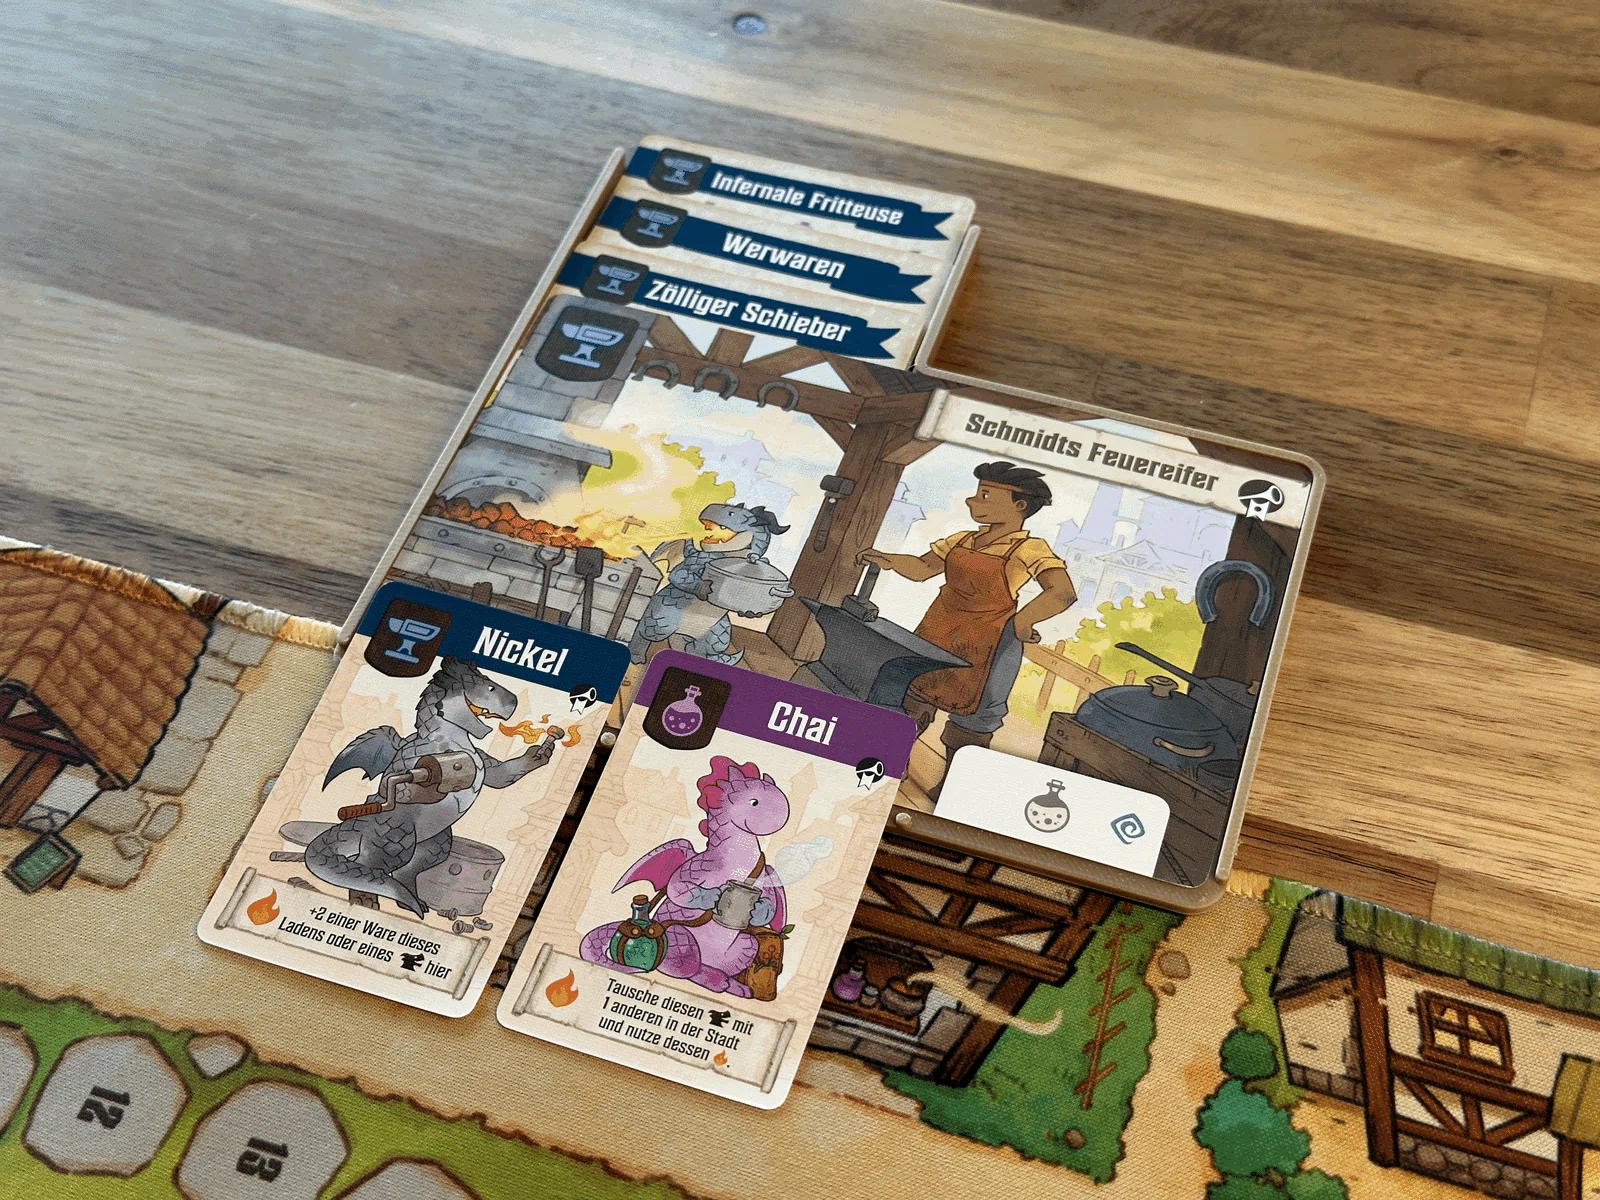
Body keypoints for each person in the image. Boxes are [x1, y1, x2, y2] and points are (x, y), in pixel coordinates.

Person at [859, 461, 1076, 793]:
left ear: (1019, 505)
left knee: (977, 713)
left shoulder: (1029, 549)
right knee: (915, 692)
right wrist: (888, 560)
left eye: (986, 495)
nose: (973, 501)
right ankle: (891, 762)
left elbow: (1062, 592)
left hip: (990, 641)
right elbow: (922, 568)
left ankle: (952, 785)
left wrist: (1023, 621)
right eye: (977, 493)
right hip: (940, 627)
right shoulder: (962, 539)